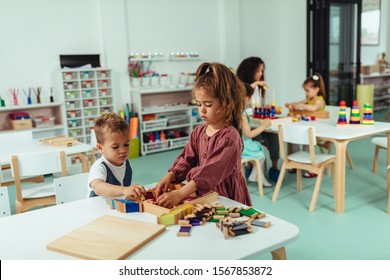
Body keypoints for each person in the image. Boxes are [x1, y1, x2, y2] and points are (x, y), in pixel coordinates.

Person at [155, 62, 251, 208]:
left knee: (227, 224)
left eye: (208, 104)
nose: (202, 110)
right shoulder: (198, 132)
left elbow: (210, 172)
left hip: (227, 196)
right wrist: (171, 175)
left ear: (226, 104)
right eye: (199, 104)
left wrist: (181, 194)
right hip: (204, 193)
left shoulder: (230, 137)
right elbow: (187, 159)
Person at [236, 56, 280, 182]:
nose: (261, 74)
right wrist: (255, 84)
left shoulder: (260, 88)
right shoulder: (242, 87)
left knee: (274, 136)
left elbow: (257, 105)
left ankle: (274, 167)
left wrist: (264, 107)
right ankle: (252, 165)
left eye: (262, 71)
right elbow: (243, 96)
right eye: (258, 71)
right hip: (250, 127)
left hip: (257, 122)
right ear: (249, 71)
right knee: (255, 138)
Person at [88, 112, 145, 198]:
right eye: (115, 147)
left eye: (126, 145)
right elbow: (98, 187)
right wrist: (124, 190)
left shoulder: (126, 164)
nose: (123, 150)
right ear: (100, 148)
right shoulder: (99, 167)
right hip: (98, 208)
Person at [285, 72, 326, 178]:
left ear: (316, 89)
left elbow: (313, 108)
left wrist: (301, 105)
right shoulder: (309, 100)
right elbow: (298, 103)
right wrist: (292, 104)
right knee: (294, 138)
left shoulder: (319, 100)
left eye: (308, 90)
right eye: (305, 90)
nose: (306, 93)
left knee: (307, 142)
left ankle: (310, 166)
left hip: (317, 130)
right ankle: (296, 161)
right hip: (306, 128)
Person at [242, 83, 272, 187]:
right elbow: (249, 134)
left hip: (238, 144)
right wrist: (264, 126)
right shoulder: (242, 115)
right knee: (263, 149)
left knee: (262, 149)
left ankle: (259, 177)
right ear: (247, 98)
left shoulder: (234, 111)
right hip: (244, 146)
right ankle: (255, 174)